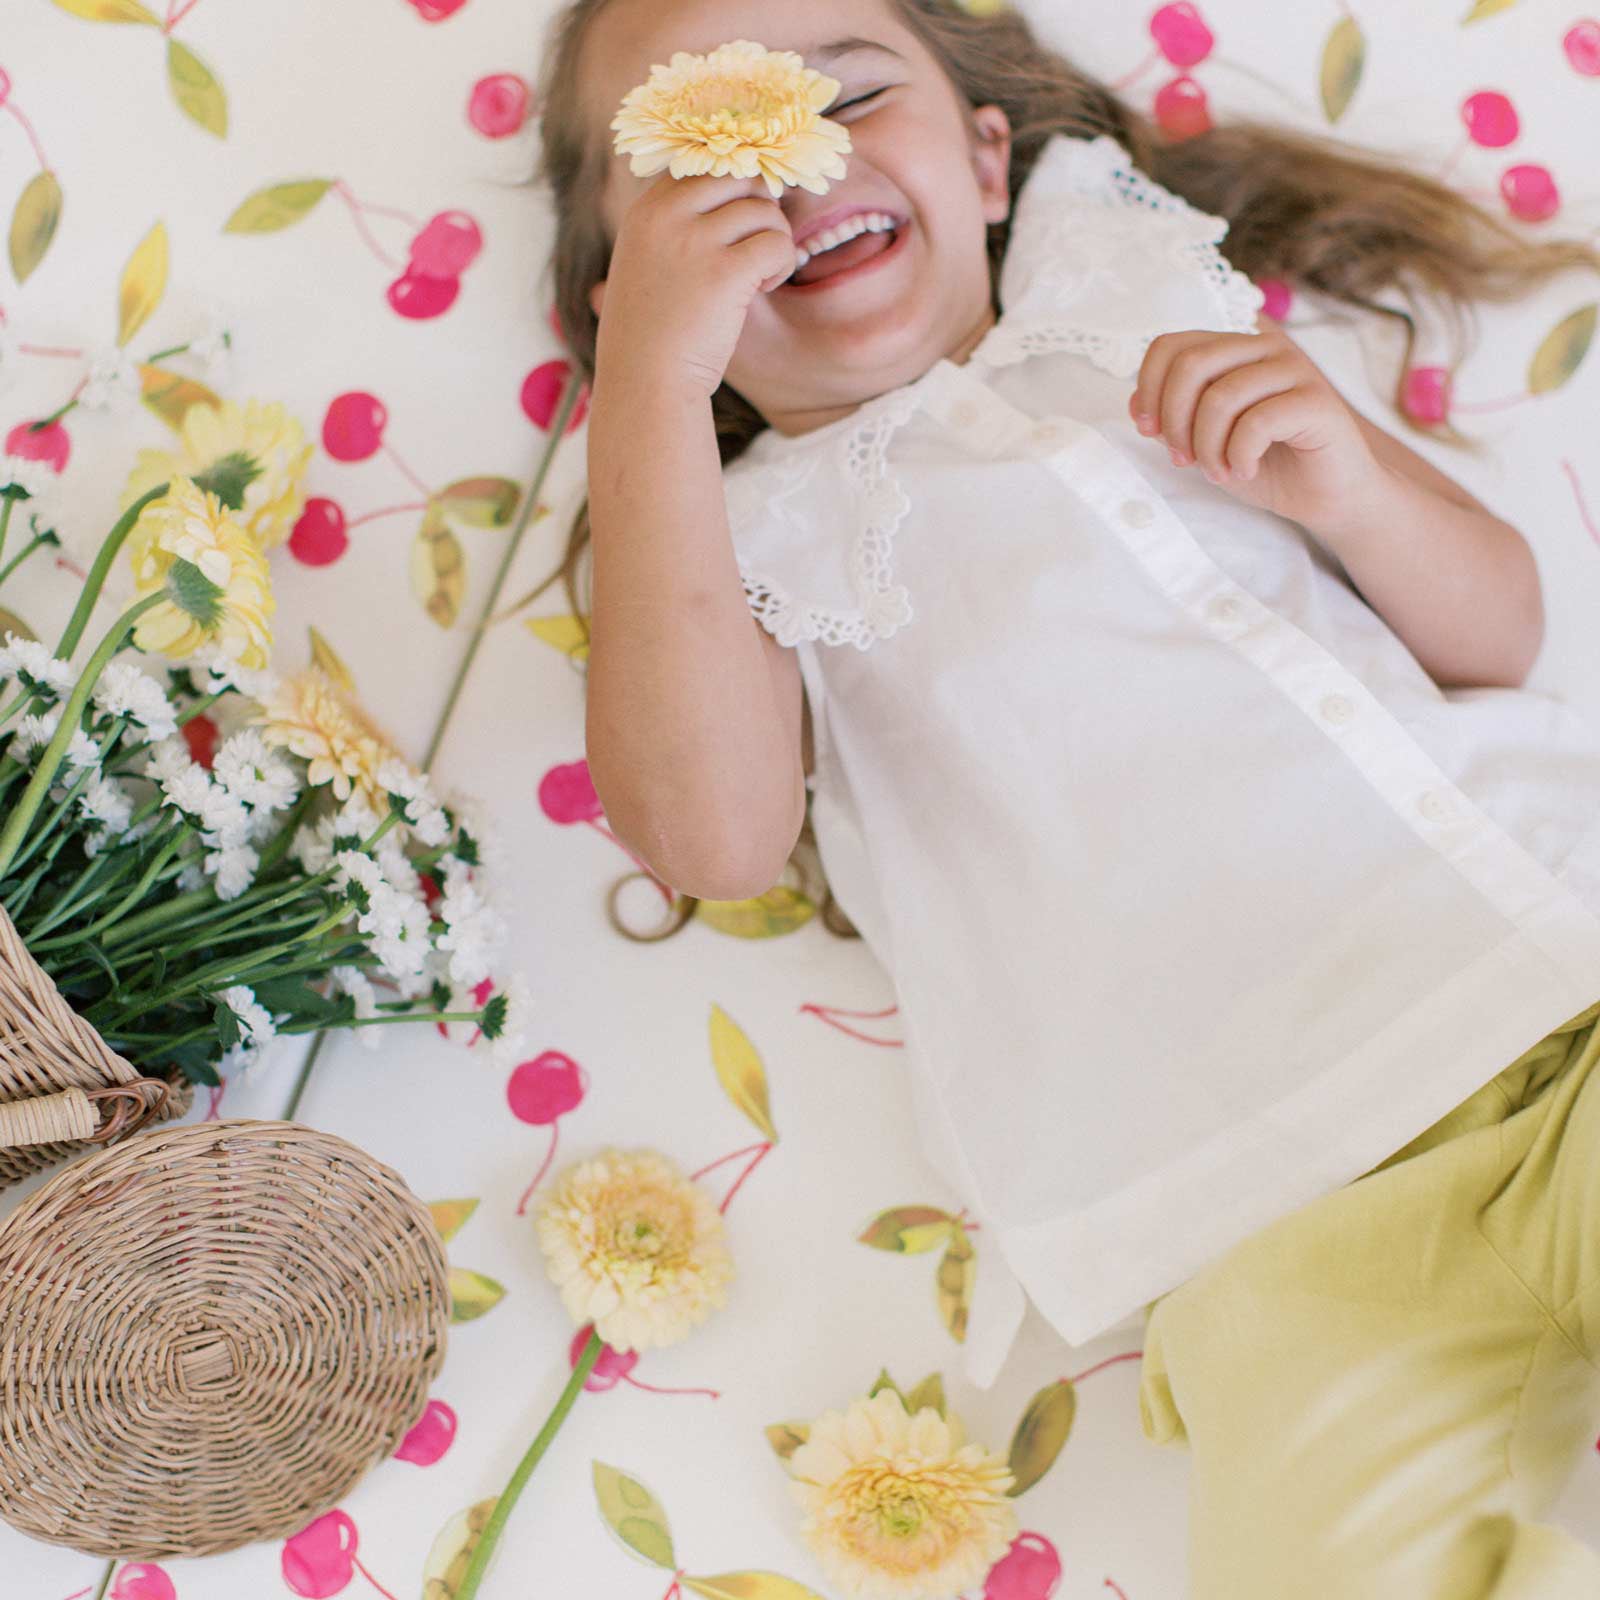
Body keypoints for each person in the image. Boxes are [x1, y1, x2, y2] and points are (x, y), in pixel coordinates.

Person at [528, 0, 1600, 1592]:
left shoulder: (1141, 324)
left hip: (1544, 988)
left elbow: (1499, 629)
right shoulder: (732, 539)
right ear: (627, 290)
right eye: (697, 149)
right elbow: (710, 834)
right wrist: (650, 396)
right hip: (1259, 1225)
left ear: (985, 160)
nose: (788, 159)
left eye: (850, 91)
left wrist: (1353, 487)